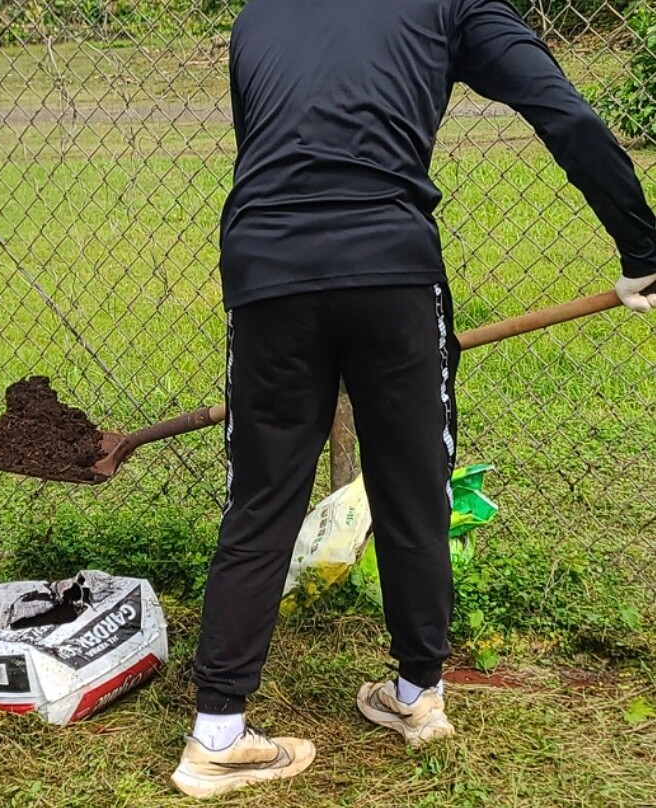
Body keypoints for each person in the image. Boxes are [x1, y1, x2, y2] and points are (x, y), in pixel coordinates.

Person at [171, 0, 656, 798]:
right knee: (412, 480)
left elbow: (264, 142)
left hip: (265, 268)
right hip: (391, 267)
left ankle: (216, 733)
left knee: (261, 496)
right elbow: (562, 111)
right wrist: (643, 247)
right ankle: (414, 696)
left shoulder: (260, 14)